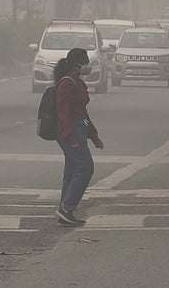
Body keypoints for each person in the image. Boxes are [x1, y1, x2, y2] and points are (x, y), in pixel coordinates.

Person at [54, 48, 104, 226]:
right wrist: (71, 138)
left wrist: (94, 136)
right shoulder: (67, 84)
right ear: (77, 64)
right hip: (70, 131)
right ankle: (67, 207)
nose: (87, 66)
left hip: (79, 129)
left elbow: (83, 113)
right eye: (85, 62)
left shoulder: (78, 83)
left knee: (72, 170)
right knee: (85, 167)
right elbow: (64, 113)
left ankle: (66, 210)